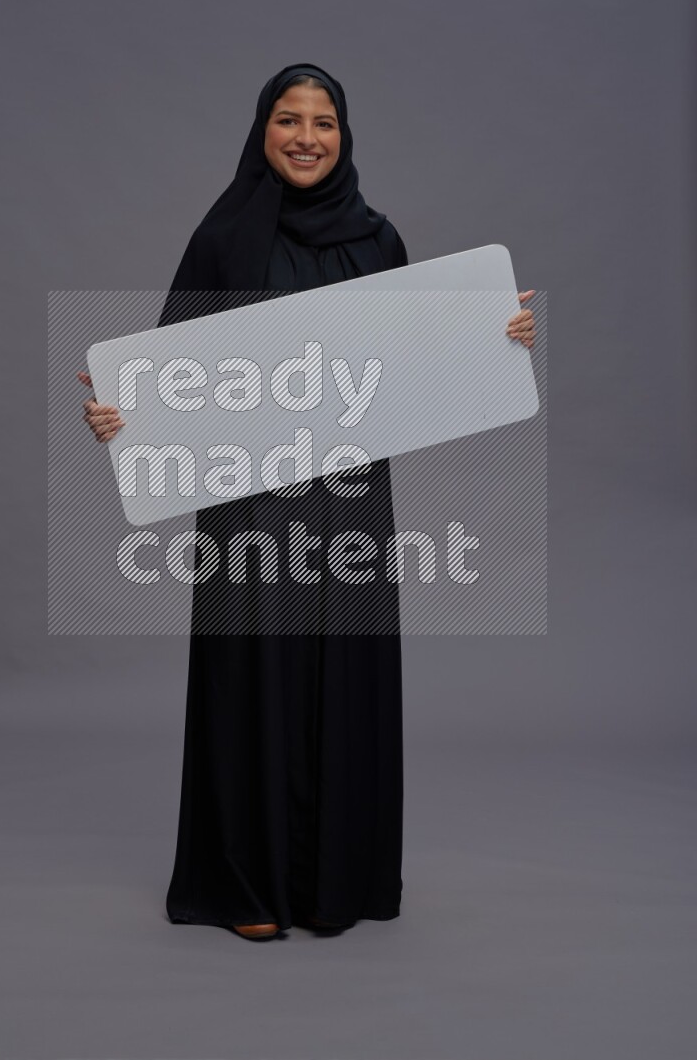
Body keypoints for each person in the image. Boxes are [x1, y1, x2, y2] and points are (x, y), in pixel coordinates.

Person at [78, 62, 536, 942]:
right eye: (288, 119)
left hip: (352, 504)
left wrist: (498, 336)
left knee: (343, 672)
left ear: (345, 136)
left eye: (323, 122)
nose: (305, 136)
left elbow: (420, 368)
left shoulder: (378, 241)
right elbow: (167, 374)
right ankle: (243, 886)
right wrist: (111, 415)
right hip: (248, 507)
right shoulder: (222, 240)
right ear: (262, 131)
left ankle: (338, 880)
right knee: (251, 675)